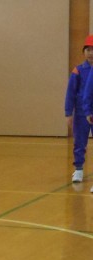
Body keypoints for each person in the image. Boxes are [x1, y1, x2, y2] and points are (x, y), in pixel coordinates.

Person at [66, 34, 93, 184]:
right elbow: (70, 92)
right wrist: (68, 112)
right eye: (88, 50)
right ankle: (78, 169)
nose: (91, 53)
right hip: (82, 113)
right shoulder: (78, 70)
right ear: (83, 52)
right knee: (80, 141)